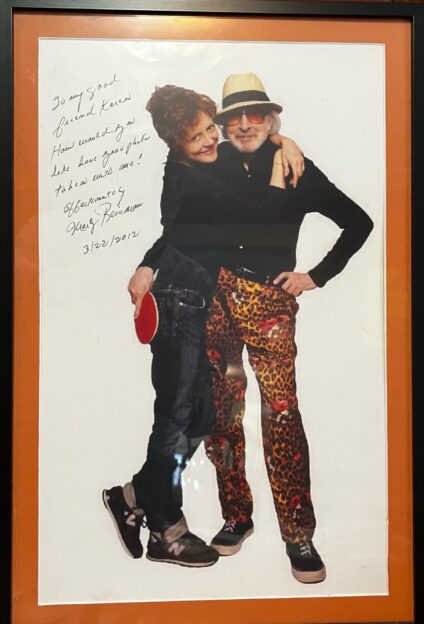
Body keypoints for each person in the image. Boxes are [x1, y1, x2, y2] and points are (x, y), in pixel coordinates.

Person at [103, 83, 304, 568]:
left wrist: (284, 139)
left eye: (210, 128)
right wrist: (280, 161)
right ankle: (165, 531)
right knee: (175, 418)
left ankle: (133, 495)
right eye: (196, 137)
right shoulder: (191, 178)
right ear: (176, 144)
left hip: (197, 303)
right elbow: (259, 215)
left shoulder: (200, 165)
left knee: (205, 416)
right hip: (177, 305)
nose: (211, 139)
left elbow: (172, 233)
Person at [198, 73, 374, 584]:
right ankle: (236, 516)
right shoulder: (215, 160)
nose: (243, 124)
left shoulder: (298, 168)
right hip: (216, 297)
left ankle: (299, 534)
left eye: (255, 115)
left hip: (269, 301)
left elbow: (358, 222)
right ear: (222, 124)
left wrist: (315, 276)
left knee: (281, 415)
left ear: (271, 119)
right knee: (222, 412)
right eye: (233, 117)